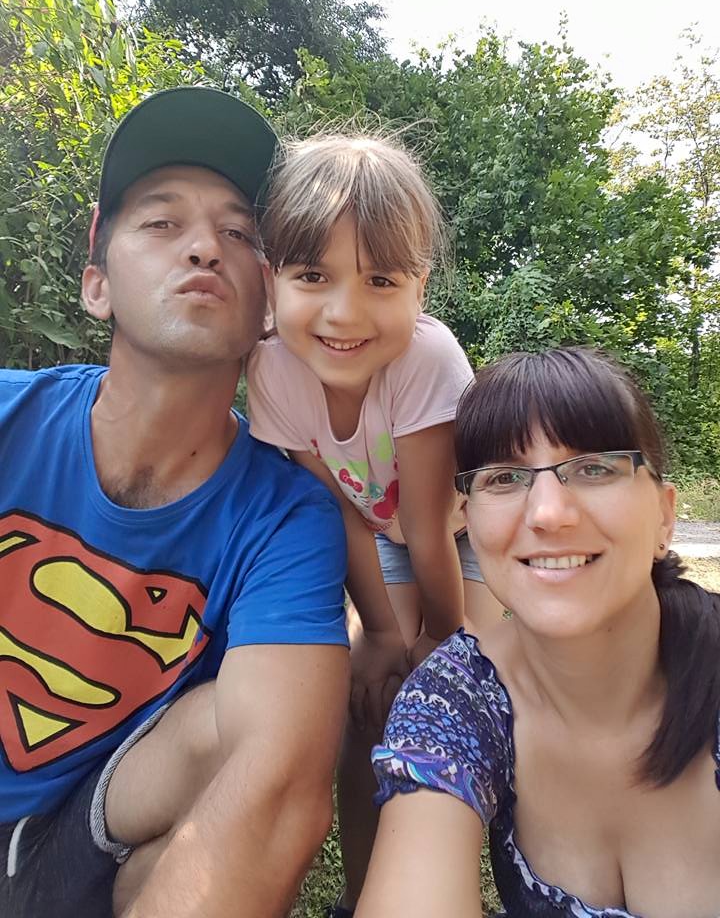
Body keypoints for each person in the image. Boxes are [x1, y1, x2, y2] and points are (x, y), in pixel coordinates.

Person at [0, 86, 350, 918]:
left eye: (241, 234)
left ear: (271, 307)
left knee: (238, 726)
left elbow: (280, 791)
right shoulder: (9, 417)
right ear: (96, 283)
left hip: (74, 839)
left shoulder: (286, 518)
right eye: (161, 223)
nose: (203, 248)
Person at [357, 346, 720, 918]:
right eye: (505, 478)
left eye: (594, 468)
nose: (549, 513)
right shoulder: (453, 699)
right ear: (467, 519)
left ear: (665, 516)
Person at [246, 132, 505, 916]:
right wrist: (386, 636)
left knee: (477, 691)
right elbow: (341, 514)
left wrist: (439, 643)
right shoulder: (273, 370)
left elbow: (430, 526)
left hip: (466, 535)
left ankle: (508, 871)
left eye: (381, 280)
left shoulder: (427, 361)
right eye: (312, 276)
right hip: (386, 539)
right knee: (367, 701)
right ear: (272, 279)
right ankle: (361, 898)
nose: (344, 312)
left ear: (420, 286)